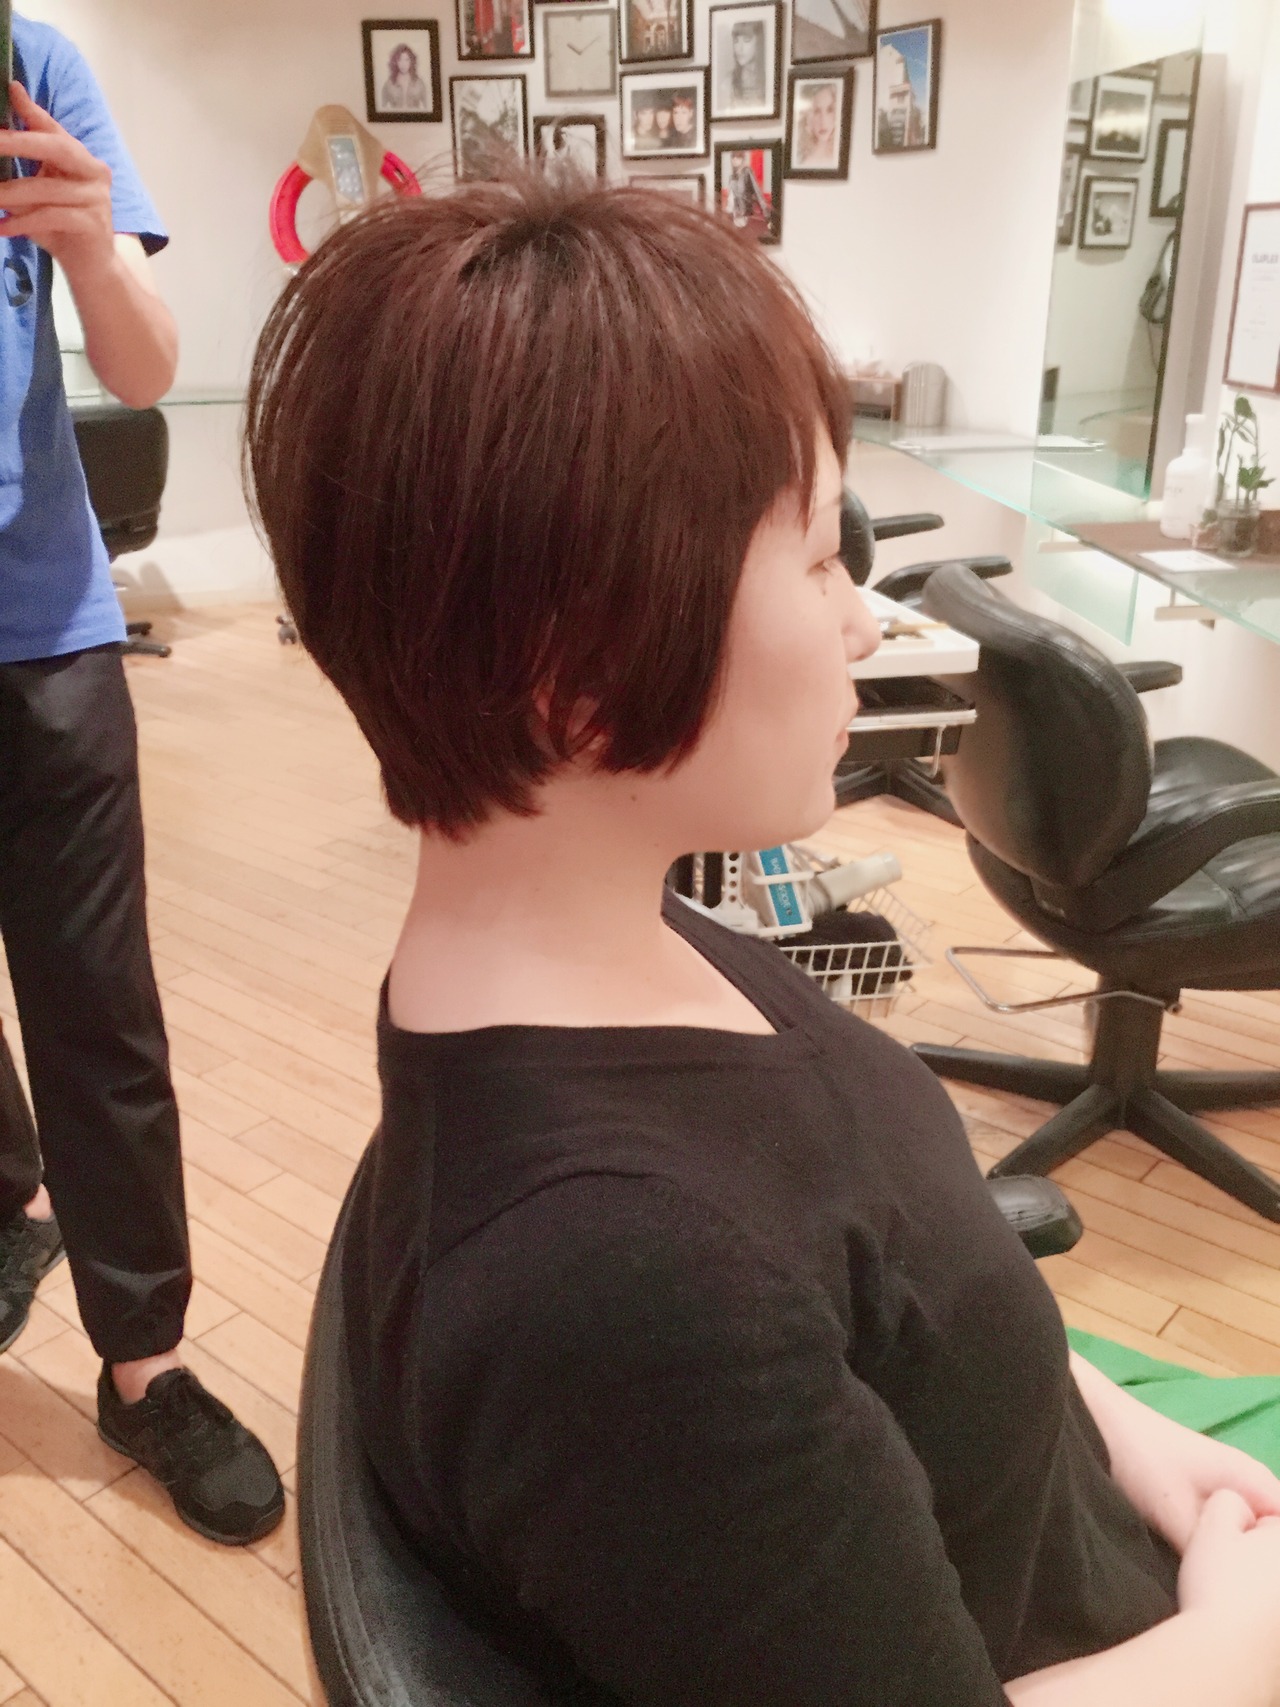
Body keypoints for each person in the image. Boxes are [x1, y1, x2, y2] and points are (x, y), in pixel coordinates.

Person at [245, 175, 1280, 1706]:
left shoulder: (594, 934)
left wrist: (1140, 1446)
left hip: (1134, 1530)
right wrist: (1245, 1633)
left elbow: (902, 1276)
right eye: (814, 559)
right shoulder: (628, 1292)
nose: (862, 619)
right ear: (582, 674)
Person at [0, 16, 283, 1546]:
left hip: (43, 629)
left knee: (95, 1003)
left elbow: (148, 364)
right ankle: (10, 1195)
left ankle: (144, 1359)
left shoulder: (37, 65)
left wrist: (87, 243)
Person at [795, 80, 839, 168]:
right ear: (808, 116)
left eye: (829, 110)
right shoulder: (799, 158)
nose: (823, 121)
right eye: (817, 111)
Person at [380, 43, 430, 113]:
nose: (403, 64)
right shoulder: (389, 84)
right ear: (395, 62)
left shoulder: (419, 83)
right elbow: (381, 108)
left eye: (407, 60)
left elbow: (428, 107)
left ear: (411, 61)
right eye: (400, 60)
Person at [725, 147, 768, 228]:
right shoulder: (732, 177)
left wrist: (765, 212)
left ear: (742, 159)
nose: (735, 159)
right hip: (735, 215)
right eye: (733, 157)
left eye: (738, 157)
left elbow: (757, 191)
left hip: (746, 214)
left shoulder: (747, 172)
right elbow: (730, 197)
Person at [727, 20, 765, 108]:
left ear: (759, 42)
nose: (739, 48)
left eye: (746, 40)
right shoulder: (729, 81)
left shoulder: (769, 78)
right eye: (736, 41)